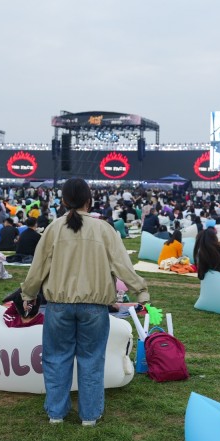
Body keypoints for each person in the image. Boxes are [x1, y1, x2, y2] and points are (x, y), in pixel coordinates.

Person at [21, 178, 149, 426]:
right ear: (89, 200)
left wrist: (29, 294)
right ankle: (89, 416)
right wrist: (140, 292)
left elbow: (37, 268)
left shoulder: (54, 229)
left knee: (56, 358)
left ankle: (56, 413)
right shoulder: (104, 230)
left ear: (65, 201)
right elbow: (123, 265)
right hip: (94, 308)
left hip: (59, 306)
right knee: (92, 359)